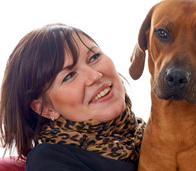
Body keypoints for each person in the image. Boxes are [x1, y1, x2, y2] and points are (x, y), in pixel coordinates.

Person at [0, 23, 146, 171]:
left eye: (94, 57)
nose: (95, 76)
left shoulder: (151, 132)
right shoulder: (48, 160)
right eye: (69, 76)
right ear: (46, 109)